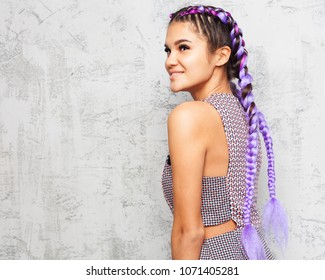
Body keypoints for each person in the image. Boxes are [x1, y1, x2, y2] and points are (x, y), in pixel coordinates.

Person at [161, 5, 288, 260]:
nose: (170, 61)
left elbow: (189, 231)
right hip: (253, 254)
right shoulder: (244, 114)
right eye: (168, 50)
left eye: (183, 47)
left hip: (216, 257)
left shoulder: (189, 116)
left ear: (221, 56)